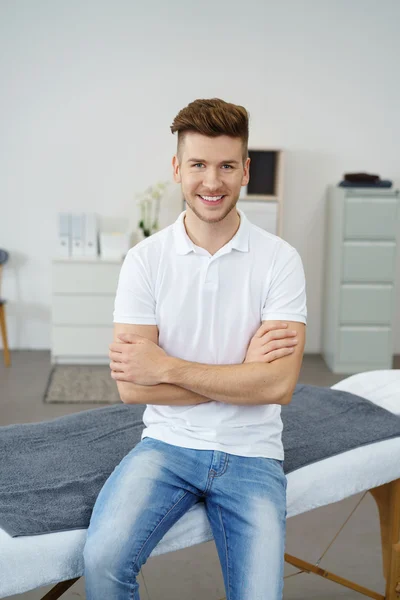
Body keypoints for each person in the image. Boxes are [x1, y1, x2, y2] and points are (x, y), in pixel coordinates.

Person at [83, 98, 307, 599]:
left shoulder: (280, 261)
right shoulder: (144, 261)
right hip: (166, 447)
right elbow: (132, 388)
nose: (213, 181)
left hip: (254, 455)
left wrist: (165, 366)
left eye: (227, 165)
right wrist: (242, 376)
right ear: (177, 169)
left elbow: (279, 385)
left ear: (245, 170)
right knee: (101, 562)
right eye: (199, 165)